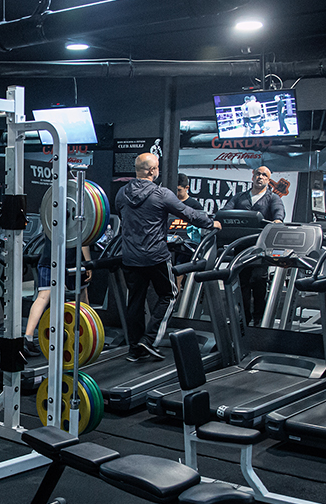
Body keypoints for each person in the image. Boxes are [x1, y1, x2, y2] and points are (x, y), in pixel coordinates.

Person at [115, 153, 219, 362]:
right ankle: (149, 339)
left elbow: (123, 216)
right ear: (152, 171)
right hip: (156, 256)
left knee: (135, 302)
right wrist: (212, 223)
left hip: (131, 257)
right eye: (157, 167)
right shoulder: (161, 194)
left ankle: (135, 349)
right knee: (170, 295)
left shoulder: (122, 193)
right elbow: (188, 214)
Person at [222, 165, 285, 326]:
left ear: (268, 180)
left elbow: (278, 213)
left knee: (258, 280)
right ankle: (244, 317)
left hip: (261, 248)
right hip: (241, 246)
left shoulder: (273, 198)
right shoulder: (239, 197)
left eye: (264, 175)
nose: (260, 177)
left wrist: (277, 220)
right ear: (253, 177)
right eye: (258, 174)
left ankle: (259, 318)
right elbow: (225, 212)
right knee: (242, 282)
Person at [23, 238, 90, 356]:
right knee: (82, 295)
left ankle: (28, 338)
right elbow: (83, 239)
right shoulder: (77, 224)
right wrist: (89, 263)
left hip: (48, 258)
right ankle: (88, 334)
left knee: (42, 297)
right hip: (72, 260)